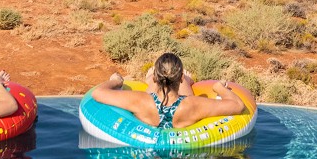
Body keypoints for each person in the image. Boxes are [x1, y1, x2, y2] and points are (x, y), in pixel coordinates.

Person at [90, 52, 246, 129]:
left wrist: (116, 81)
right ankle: (185, 79)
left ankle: (151, 76)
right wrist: (218, 87)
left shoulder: (140, 100)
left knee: (153, 94)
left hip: (148, 157)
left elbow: (97, 93)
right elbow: (238, 105)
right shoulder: (194, 104)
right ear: (180, 79)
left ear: (155, 79)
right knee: (182, 95)